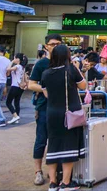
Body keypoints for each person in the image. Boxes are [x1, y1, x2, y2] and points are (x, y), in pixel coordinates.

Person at [40, 44, 86, 190]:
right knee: (69, 145)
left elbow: (46, 93)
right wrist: (77, 67)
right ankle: (66, 183)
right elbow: (83, 86)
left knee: (53, 145)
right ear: (67, 56)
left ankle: (53, 183)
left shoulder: (46, 73)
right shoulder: (70, 70)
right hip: (69, 114)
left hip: (52, 113)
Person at [28, 35, 62, 187]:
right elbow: (31, 84)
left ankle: (54, 171)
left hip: (61, 108)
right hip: (44, 107)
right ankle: (38, 172)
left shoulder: (65, 63)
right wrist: (43, 90)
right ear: (46, 46)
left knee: (57, 140)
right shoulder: (41, 64)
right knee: (41, 140)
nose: (55, 46)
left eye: (58, 44)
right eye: (52, 44)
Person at [6, 53, 28, 125]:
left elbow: (8, 69)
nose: (14, 59)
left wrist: (11, 62)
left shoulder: (17, 66)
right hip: (20, 87)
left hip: (15, 86)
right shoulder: (22, 67)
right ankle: (17, 117)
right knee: (16, 102)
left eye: (15, 58)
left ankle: (15, 116)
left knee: (8, 102)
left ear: (18, 59)